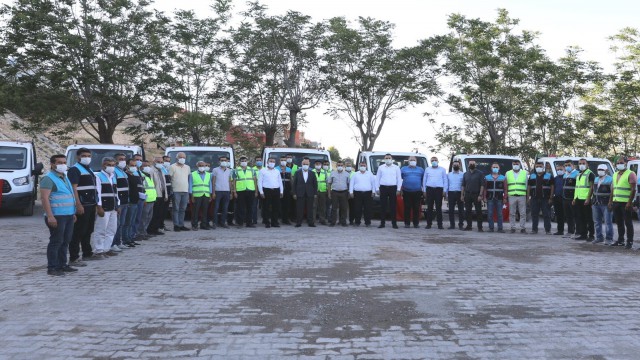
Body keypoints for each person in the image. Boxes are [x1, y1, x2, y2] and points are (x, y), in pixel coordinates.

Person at [41, 154, 78, 276]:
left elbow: (69, 195)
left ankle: (63, 264)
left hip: (68, 215)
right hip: (57, 216)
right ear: (52, 164)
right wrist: (50, 216)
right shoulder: (48, 178)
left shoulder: (64, 176)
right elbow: (45, 198)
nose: (62, 165)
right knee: (56, 242)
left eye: (64, 162)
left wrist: (72, 213)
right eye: (59, 162)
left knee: (65, 241)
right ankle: (52, 267)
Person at [67, 147, 97, 265]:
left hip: (91, 203)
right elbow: (74, 188)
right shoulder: (75, 169)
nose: (86, 158)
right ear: (77, 157)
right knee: (78, 231)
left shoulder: (89, 169)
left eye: (88, 156)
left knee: (88, 230)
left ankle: (87, 252)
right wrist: (78, 204)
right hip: (82, 204)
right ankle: (74, 257)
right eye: (84, 156)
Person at [92, 157, 120, 258]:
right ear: (103, 165)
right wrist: (99, 206)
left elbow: (116, 192)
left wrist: (118, 205)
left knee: (111, 230)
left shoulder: (113, 176)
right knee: (101, 229)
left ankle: (106, 248)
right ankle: (98, 250)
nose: (111, 167)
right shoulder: (98, 176)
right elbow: (97, 193)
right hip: (104, 207)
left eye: (113, 165)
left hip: (113, 207)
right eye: (109, 165)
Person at [610, 157, 637, 249]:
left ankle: (629, 241)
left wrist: (629, 202)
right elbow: (613, 189)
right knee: (619, 222)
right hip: (616, 201)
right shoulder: (615, 174)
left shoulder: (631, 174)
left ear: (625, 163)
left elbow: (633, 189)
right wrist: (610, 201)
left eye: (621, 162)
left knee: (628, 223)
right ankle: (620, 240)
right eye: (617, 163)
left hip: (625, 203)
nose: (619, 164)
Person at [376, 154, 402, 229]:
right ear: (384, 159)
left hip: (393, 188)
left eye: (389, 158)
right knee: (382, 206)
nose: (387, 159)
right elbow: (377, 178)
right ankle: (382, 223)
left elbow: (399, 179)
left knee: (393, 206)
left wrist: (398, 189)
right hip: (383, 188)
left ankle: (394, 223)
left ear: (392, 159)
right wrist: (377, 188)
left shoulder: (396, 168)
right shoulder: (381, 167)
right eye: (386, 158)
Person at [572, 159, 595, 241]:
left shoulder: (590, 174)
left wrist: (588, 198)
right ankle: (583, 234)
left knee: (589, 218)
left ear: (587, 164)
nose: (581, 165)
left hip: (586, 199)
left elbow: (592, 187)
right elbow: (577, 187)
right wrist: (574, 198)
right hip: (578, 198)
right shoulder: (578, 174)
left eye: (583, 163)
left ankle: (591, 235)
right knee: (581, 218)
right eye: (580, 163)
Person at [349, 161, 378, 227]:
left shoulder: (370, 174)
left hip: (368, 193)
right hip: (357, 193)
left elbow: (373, 183)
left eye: (364, 165)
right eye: (361, 165)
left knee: (367, 208)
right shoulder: (355, 174)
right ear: (359, 166)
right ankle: (357, 222)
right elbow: (351, 183)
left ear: (366, 166)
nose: (363, 167)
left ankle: (367, 222)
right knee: (357, 208)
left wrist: (373, 191)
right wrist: (351, 192)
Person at [528, 161, 553, 235]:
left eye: (540, 166)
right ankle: (534, 229)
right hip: (534, 198)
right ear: (535, 167)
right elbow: (529, 187)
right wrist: (528, 198)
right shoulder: (532, 176)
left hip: (545, 198)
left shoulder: (549, 176)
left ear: (543, 167)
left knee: (546, 214)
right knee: (534, 214)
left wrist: (551, 198)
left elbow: (552, 187)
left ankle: (548, 230)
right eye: (537, 166)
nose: (539, 168)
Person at [422, 156, 447, 229]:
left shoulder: (442, 169)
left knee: (438, 207)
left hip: (439, 190)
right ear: (430, 162)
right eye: (432, 160)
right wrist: (424, 190)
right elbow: (424, 180)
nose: (434, 161)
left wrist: (444, 190)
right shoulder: (427, 169)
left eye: (435, 160)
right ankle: (429, 224)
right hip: (429, 189)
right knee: (429, 207)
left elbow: (445, 180)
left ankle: (440, 224)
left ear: (438, 161)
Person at [111, 153, 130, 251]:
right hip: (119, 201)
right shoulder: (114, 171)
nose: (123, 161)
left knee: (122, 223)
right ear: (115, 161)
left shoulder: (122, 171)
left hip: (125, 200)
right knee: (116, 224)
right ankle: (113, 243)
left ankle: (119, 242)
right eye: (120, 159)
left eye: (124, 159)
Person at [258, 158, 283, 228]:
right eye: (270, 161)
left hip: (276, 190)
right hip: (266, 190)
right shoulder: (263, 171)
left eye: (273, 161)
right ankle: (267, 222)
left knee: (276, 207)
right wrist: (261, 192)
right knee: (266, 207)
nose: (272, 163)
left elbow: (280, 181)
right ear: (267, 162)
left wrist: (281, 191)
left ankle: (274, 222)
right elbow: (259, 182)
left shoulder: (277, 171)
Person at [292, 159, 318, 227]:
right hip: (300, 193)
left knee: (310, 208)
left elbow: (315, 184)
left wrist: (315, 193)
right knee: (299, 208)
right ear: (301, 164)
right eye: (304, 164)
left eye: (306, 164)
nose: (305, 165)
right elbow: (294, 184)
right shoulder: (297, 172)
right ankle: (298, 222)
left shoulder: (312, 173)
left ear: (309, 165)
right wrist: (294, 193)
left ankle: (310, 222)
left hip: (310, 193)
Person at [592, 164, 613, 244]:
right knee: (597, 222)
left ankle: (609, 238)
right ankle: (599, 237)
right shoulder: (596, 179)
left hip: (606, 203)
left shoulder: (610, 179)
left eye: (602, 169)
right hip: (596, 203)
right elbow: (594, 191)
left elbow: (612, 192)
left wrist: (610, 202)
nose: (600, 171)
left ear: (606, 171)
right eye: (598, 169)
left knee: (608, 222)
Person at [400, 156, 424, 228]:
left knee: (416, 208)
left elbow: (423, 180)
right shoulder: (403, 169)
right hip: (406, 191)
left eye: (414, 160)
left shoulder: (421, 170)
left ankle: (416, 223)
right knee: (407, 207)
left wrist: (424, 190)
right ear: (408, 161)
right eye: (411, 160)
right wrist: (400, 190)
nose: (412, 161)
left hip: (417, 191)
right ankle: (407, 223)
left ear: (416, 161)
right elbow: (399, 179)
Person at [169, 152, 191, 231]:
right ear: (177, 158)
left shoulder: (187, 167)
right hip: (176, 191)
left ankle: (181, 224)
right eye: (180, 157)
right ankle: (176, 225)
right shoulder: (172, 167)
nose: (182, 159)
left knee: (183, 209)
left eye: (184, 157)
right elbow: (170, 179)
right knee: (176, 209)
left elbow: (188, 178)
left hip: (185, 191)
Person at [235, 156, 258, 228]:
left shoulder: (252, 170)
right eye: (242, 161)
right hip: (240, 191)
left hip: (251, 190)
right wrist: (234, 192)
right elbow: (234, 181)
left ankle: (249, 223)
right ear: (239, 162)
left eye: (245, 161)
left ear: (247, 161)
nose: (244, 162)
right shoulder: (236, 170)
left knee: (250, 207)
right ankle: (240, 223)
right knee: (240, 207)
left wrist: (256, 191)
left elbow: (255, 181)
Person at [505, 159, 528, 234]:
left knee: (523, 213)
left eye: (517, 164)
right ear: (512, 165)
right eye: (514, 164)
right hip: (511, 195)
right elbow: (506, 185)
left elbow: (527, 185)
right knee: (512, 213)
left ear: (520, 164)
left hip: (522, 195)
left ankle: (523, 228)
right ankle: (512, 227)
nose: (515, 165)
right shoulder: (508, 173)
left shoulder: (525, 173)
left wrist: (527, 196)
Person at [483, 162, 507, 233]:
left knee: (500, 214)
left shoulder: (503, 178)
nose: (495, 168)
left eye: (496, 167)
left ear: (499, 168)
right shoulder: (487, 177)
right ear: (491, 168)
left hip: (499, 198)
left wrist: (505, 197)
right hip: (490, 198)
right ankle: (491, 228)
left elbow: (505, 189)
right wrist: (484, 197)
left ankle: (500, 228)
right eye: (494, 167)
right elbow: (485, 188)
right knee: (490, 214)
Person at [123, 158, 142, 247]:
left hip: (136, 201)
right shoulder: (126, 176)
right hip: (130, 201)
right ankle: (125, 239)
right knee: (127, 222)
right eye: (132, 165)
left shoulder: (134, 175)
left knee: (132, 222)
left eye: (135, 166)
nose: (134, 167)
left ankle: (130, 238)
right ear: (127, 166)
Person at [147, 157, 168, 235]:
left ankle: (156, 228)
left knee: (160, 213)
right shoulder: (151, 171)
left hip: (162, 194)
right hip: (156, 195)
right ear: (154, 162)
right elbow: (151, 183)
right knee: (154, 214)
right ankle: (151, 229)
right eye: (158, 161)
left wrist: (166, 195)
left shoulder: (161, 170)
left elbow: (164, 184)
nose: (160, 163)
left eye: (161, 162)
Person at [189, 161, 213, 230]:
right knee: (195, 211)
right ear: (197, 166)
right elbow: (190, 185)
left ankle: (204, 225)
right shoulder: (192, 174)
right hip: (196, 195)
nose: (202, 167)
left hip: (206, 195)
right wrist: (192, 196)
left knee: (205, 211)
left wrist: (210, 195)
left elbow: (210, 185)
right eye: (200, 165)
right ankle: (194, 225)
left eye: (203, 165)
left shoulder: (209, 174)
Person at [462, 160, 485, 232]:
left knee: (479, 211)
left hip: (476, 194)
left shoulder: (480, 173)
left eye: (473, 164)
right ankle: (469, 226)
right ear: (468, 165)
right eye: (470, 164)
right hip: (468, 194)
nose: (471, 165)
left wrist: (480, 195)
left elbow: (482, 185)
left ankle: (480, 227)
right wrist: (462, 195)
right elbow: (463, 185)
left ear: (475, 165)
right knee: (468, 211)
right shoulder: (465, 174)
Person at [212, 156, 233, 229]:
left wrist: (231, 192)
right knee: (216, 208)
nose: (223, 161)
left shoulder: (230, 170)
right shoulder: (215, 170)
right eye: (222, 160)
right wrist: (213, 192)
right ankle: (215, 222)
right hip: (218, 191)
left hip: (226, 191)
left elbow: (230, 181)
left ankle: (223, 222)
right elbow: (213, 181)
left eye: (225, 160)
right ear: (219, 162)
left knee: (225, 208)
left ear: (227, 161)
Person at [328, 160, 350, 227]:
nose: (340, 166)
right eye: (338, 165)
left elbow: (348, 184)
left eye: (341, 165)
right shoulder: (332, 173)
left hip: (344, 192)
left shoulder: (347, 174)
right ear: (336, 166)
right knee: (334, 208)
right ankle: (333, 222)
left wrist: (349, 193)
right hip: (334, 192)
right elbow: (329, 184)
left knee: (343, 208)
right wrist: (329, 193)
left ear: (343, 166)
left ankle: (343, 222)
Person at [562, 160, 579, 238]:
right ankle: (570, 231)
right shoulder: (565, 175)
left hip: (572, 198)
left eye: (569, 165)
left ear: (573, 166)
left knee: (575, 215)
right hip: (565, 198)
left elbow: (578, 187)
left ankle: (577, 232)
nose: (567, 167)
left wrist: (575, 198)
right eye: (565, 166)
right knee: (568, 216)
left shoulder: (577, 174)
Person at [139, 161, 156, 238]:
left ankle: (145, 231)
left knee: (149, 217)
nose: (147, 167)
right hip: (146, 200)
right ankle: (141, 232)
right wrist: (144, 200)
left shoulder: (149, 175)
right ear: (141, 167)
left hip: (152, 199)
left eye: (149, 165)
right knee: (143, 218)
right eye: (145, 166)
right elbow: (142, 189)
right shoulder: (141, 176)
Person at [446, 160, 465, 230]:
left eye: (457, 165)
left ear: (459, 166)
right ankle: (452, 225)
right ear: (452, 166)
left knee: (461, 210)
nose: (456, 166)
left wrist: (463, 195)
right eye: (454, 165)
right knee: (451, 210)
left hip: (460, 193)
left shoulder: (463, 174)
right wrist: (446, 194)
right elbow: (447, 184)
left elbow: (464, 185)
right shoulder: (449, 174)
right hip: (451, 193)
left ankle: (461, 225)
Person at [276, 156, 293, 225]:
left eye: (284, 160)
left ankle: (285, 219)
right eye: (281, 160)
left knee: (286, 205)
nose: (283, 161)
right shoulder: (276, 169)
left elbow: (291, 180)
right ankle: (276, 219)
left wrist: (292, 189)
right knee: (277, 205)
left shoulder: (289, 169)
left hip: (287, 190)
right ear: (279, 161)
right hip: (278, 190)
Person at [312, 160, 329, 225]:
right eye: (316, 164)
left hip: (323, 191)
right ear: (314, 165)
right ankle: (312, 220)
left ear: (321, 165)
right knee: (314, 206)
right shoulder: (312, 172)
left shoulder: (324, 172)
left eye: (319, 164)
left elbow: (327, 182)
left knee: (322, 206)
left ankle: (322, 220)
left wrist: (328, 190)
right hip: (315, 191)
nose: (318, 165)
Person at [552, 164, 566, 236]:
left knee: (569, 215)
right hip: (557, 198)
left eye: (561, 169)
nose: (559, 171)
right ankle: (560, 230)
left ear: (564, 170)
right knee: (559, 215)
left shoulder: (566, 177)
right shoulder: (555, 178)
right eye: (558, 170)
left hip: (565, 198)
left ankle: (572, 230)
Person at [252, 156, 264, 225]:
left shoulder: (265, 169)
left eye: (260, 160)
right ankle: (254, 220)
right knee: (254, 205)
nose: (258, 161)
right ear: (255, 161)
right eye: (257, 160)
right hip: (255, 189)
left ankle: (264, 219)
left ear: (262, 161)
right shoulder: (252, 170)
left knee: (264, 205)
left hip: (263, 189)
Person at [345, 160, 356, 225]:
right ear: (345, 166)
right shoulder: (342, 173)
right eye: (347, 166)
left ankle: (351, 220)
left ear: (351, 166)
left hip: (352, 192)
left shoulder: (354, 174)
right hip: (344, 191)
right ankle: (342, 219)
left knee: (352, 207)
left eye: (349, 166)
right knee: (343, 207)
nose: (348, 167)